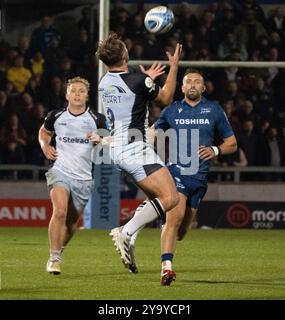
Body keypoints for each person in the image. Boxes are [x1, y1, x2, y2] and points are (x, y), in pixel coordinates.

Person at [132, 69, 238, 285]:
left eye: (197, 82)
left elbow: (232, 144)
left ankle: (153, 211)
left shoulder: (214, 110)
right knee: (175, 218)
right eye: (188, 81)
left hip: (199, 179)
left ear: (203, 88)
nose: (192, 84)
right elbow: (153, 132)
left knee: (181, 232)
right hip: (176, 173)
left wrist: (216, 150)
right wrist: (144, 145)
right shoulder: (172, 111)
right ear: (181, 87)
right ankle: (166, 268)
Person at [96, 32, 182, 285]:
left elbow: (133, 91)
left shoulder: (104, 82)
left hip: (118, 149)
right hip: (135, 148)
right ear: (124, 54)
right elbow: (165, 98)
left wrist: (146, 80)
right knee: (171, 197)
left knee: (155, 198)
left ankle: (130, 240)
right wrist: (174, 68)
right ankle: (126, 231)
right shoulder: (137, 81)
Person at [38, 77, 107, 275]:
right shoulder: (56, 116)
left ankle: (60, 250)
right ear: (67, 94)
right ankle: (54, 258)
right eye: (73, 90)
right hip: (60, 170)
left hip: (84, 177)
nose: (77, 94)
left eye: (81, 91)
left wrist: (100, 139)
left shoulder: (97, 119)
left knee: (71, 223)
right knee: (59, 211)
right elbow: (44, 132)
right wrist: (45, 145)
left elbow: (112, 139)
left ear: (87, 95)